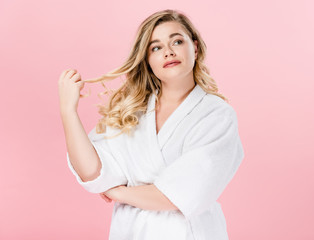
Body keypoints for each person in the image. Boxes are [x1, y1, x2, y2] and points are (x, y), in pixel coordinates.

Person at [58, 9, 245, 240]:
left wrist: (118, 192)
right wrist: (69, 112)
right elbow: (92, 172)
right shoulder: (132, 113)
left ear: (194, 48)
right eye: (156, 47)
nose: (168, 52)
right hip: (130, 232)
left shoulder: (216, 116)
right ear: (147, 60)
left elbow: (181, 194)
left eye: (177, 41)